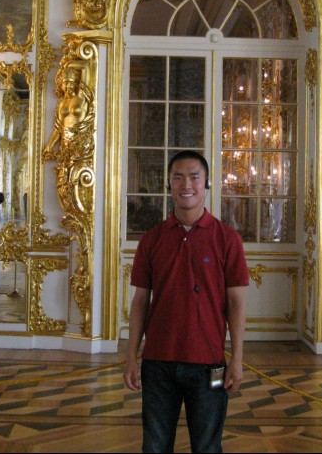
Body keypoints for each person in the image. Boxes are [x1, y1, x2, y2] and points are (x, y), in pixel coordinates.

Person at [124, 150, 248, 453]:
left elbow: (236, 303)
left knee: (207, 446)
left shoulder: (227, 239)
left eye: (194, 176)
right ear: (169, 183)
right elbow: (141, 302)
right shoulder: (152, 240)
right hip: (158, 362)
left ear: (206, 183)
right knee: (154, 445)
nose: (186, 184)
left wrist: (238, 358)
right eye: (177, 177)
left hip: (210, 364)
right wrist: (131, 356)